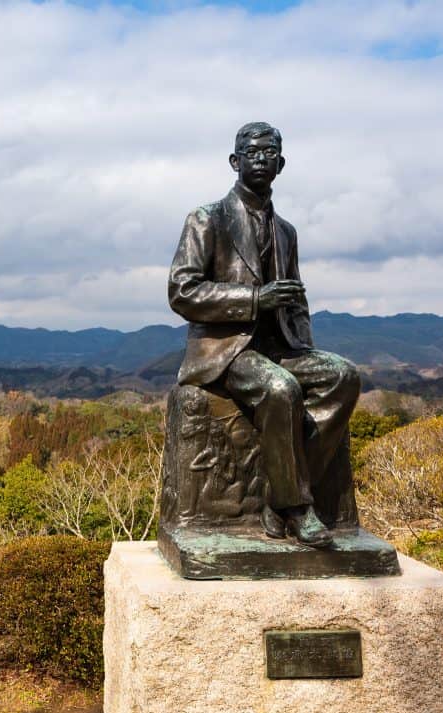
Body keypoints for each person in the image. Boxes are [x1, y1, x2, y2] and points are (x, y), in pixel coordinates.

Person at [167, 121, 360, 548]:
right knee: (280, 388)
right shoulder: (207, 219)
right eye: (250, 152)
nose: (260, 158)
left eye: (268, 152)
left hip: (281, 345)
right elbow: (182, 291)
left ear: (281, 163)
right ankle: (296, 508)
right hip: (227, 350)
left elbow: (297, 300)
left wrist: (303, 342)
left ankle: (280, 496)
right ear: (234, 161)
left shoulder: (286, 231)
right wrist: (255, 298)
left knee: (343, 376)